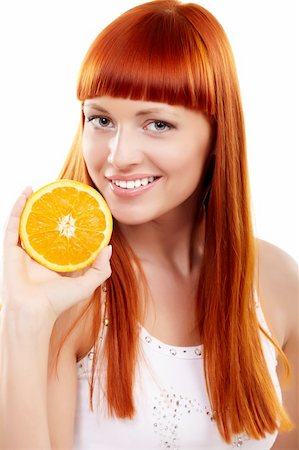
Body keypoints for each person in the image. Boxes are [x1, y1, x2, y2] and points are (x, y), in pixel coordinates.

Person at [0, 1, 298, 449]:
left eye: (157, 123)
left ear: (218, 135)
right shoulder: (68, 293)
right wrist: (24, 320)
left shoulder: (276, 281)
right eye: (100, 120)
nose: (118, 156)